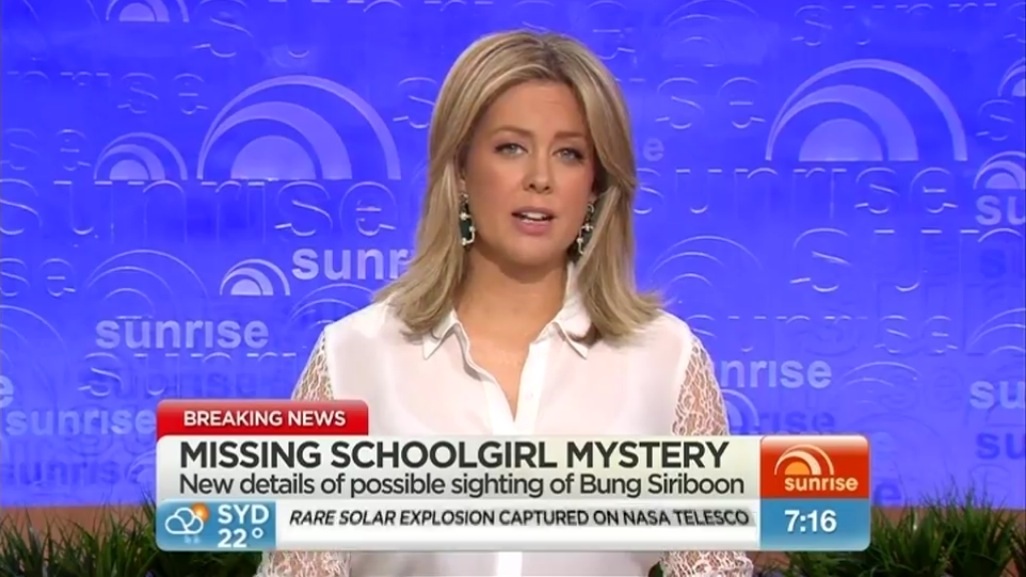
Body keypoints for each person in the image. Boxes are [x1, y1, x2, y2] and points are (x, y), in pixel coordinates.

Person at [256, 30, 754, 577]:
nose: (540, 179)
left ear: (595, 185)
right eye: (511, 148)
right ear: (461, 170)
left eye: (569, 154)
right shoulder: (355, 356)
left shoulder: (666, 359)